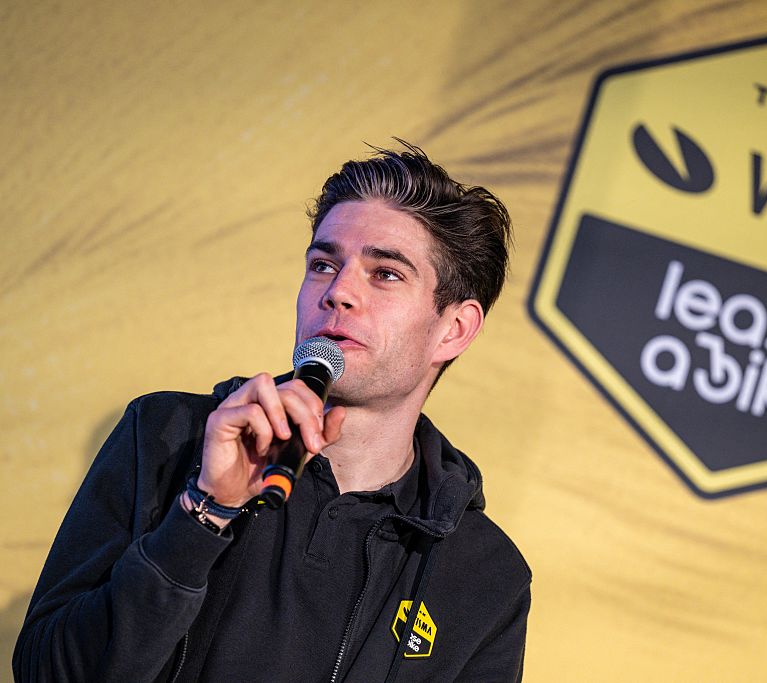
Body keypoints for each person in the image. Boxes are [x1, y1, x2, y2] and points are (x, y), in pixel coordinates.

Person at [14, 143, 531, 682]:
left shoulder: (486, 573)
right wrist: (202, 512)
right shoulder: (165, 436)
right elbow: (45, 673)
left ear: (455, 329)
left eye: (386, 274)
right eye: (324, 264)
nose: (338, 292)